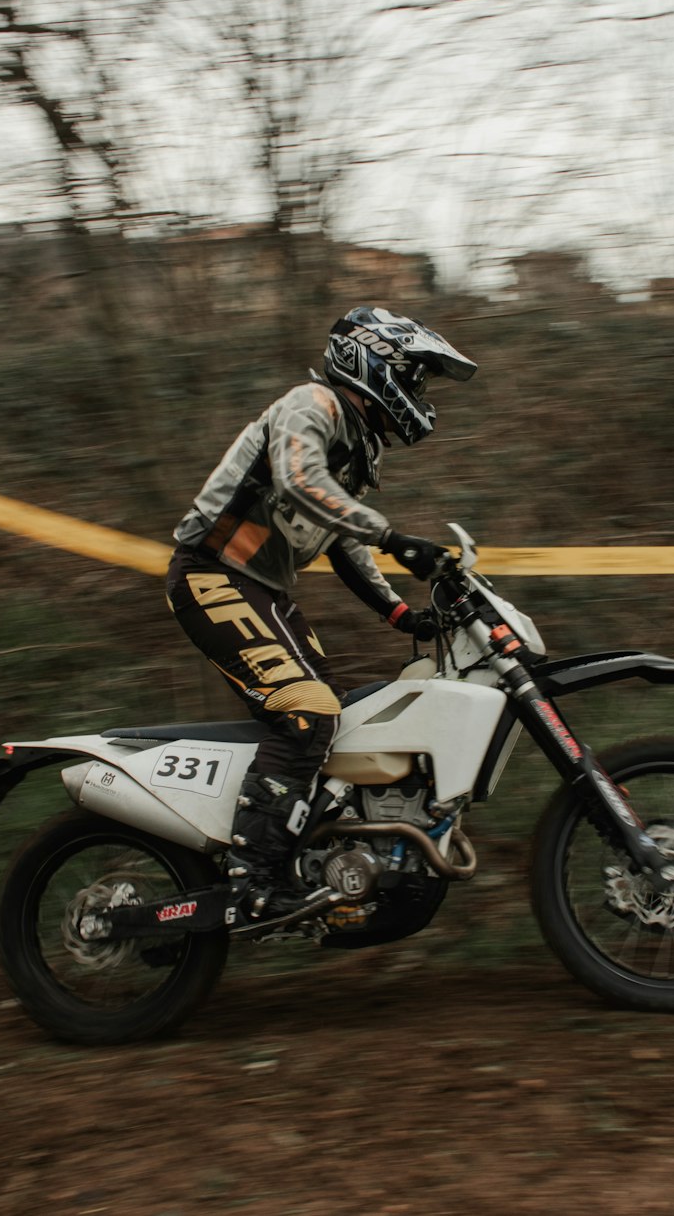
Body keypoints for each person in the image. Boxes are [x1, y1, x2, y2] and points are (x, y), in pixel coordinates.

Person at [166, 305, 477, 922]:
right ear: (375, 361)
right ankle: (250, 876)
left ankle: (307, 858)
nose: (419, 394)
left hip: (266, 594)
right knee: (306, 716)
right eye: (414, 378)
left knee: (338, 726)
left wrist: (399, 614)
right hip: (211, 574)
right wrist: (397, 538)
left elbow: (343, 541)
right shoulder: (313, 404)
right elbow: (300, 480)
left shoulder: (355, 444)